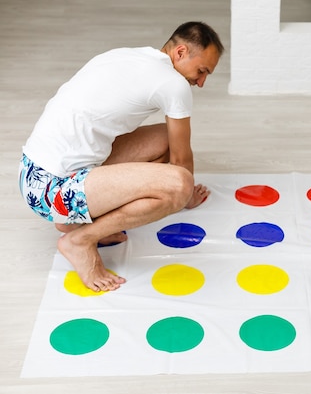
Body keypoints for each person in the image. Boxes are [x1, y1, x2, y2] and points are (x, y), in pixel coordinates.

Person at [18, 21, 224, 292]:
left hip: (31, 175)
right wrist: (186, 197)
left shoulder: (127, 54)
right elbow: (182, 161)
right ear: (181, 52)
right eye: (201, 71)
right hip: (52, 190)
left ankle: (70, 221)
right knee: (179, 184)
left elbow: (175, 147)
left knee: (166, 137)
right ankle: (81, 240)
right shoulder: (175, 85)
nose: (201, 82)